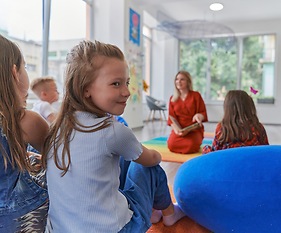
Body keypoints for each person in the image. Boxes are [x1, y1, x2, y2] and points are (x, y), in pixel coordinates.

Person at [42, 40, 185, 233]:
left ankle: (154, 210)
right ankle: (169, 214)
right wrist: (157, 155)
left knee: (125, 158)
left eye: (126, 83)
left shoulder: (56, 128)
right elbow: (150, 159)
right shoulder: (113, 131)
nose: (126, 92)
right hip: (117, 229)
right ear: (85, 88)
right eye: (116, 84)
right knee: (148, 165)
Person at [0, 34, 49, 232]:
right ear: (15, 73)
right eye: (25, 67)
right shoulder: (24, 120)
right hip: (14, 216)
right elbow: (60, 160)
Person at [202, 90, 269, 154]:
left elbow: (215, 152)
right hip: (252, 163)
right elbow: (266, 150)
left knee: (205, 149)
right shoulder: (258, 127)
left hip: (229, 163)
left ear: (227, 108)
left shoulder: (222, 127)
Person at [167, 71, 208, 154]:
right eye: (177, 79)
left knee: (191, 146)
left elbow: (203, 113)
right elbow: (171, 118)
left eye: (182, 79)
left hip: (193, 129)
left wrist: (198, 116)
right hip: (180, 129)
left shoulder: (196, 95)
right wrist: (177, 131)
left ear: (188, 82)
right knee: (171, 145)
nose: (179, 81)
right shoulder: (172, 98)